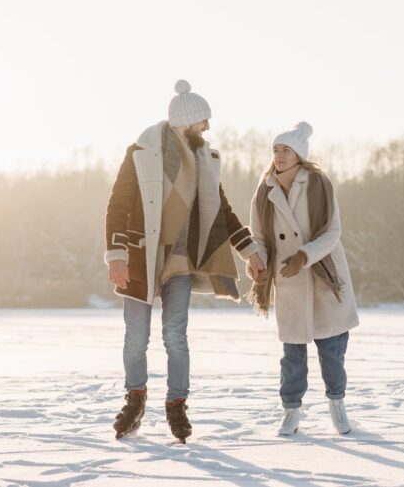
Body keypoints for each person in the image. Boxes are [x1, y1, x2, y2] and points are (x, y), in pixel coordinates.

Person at [104, 80, 264, 441]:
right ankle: (135, 399)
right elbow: (117, 206)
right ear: (184, 121)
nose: (207, 128)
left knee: (176, 336)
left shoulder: (206, 160)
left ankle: (176, 406)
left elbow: (222, 210)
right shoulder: (141, 152)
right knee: (136, 339)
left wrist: (250, 249)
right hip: (140, 258)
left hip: (180, 263)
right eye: (202, 122)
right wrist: (116, 256)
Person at [245, 122, 359, 435]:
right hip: (288, 280)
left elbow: (333, 232)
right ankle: (291, 412)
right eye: (276, 150)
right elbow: (258, 236)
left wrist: (304, 256)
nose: (279, 156)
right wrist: (257, 260)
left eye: (286, 150)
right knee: (292, 355)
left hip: (322, 274)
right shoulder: (264, 189)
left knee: (331, 351)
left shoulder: (319, 184)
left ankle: (337, 404)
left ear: (299, 155)